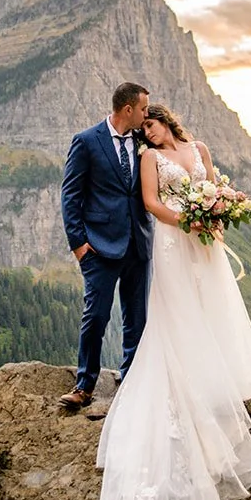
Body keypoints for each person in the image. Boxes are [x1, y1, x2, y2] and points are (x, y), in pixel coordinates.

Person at [95, 102, 251, 500]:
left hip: (204, 243)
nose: (149, 134)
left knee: (210, 310)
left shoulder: (200, 149)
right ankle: (182, 395)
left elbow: (213, 191)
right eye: (144, 131)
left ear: (166, 120)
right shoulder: (149, 159)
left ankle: (213, 387)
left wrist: (217, 216)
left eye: (152, 126)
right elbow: (152, 204)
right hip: (173, 242)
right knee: (176, 316)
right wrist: (187, 222)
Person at [58, 82, 153, 410]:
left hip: (138, 245)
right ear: (128, 109)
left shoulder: (143, 141)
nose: (146, 115)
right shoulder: (86, 141)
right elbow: (70, 194)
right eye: (143, 109)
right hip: (99, 247)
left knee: (136, 319)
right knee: (96, 317)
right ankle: (84, 386)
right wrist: (79, 245)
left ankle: (131, 383)